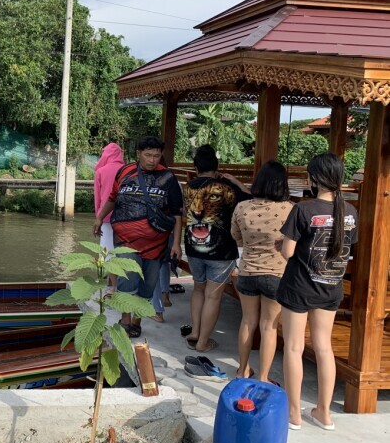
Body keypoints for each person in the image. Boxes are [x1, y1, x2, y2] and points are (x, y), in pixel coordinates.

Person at [278, 153, 358, 430]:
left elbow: (288, 251)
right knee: (324, 348)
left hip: (299, 287)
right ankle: (324, 413)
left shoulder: (304, 209)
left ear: (313, 179)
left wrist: (281, 244)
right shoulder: (350, 212)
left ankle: (293, 414)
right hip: (331, 287)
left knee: (294, 347)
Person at [93, 136, 183, 338]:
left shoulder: (168, 178)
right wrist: (99, 217)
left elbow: (177, 213)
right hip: (125, 242)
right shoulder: (124, 172)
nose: (152, 160)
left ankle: (137, 320)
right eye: (148, 155)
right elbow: (112, 199)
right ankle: (125, 320)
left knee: (148, 285)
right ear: (138, 154)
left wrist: (176, 242)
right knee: (127, 280)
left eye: (157, 156)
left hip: (155, 244)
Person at [184, 145, 250, 353]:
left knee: (198, 289)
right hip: (221, 251)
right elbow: (251, 200)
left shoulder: (188, 187)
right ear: (217, 167)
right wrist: (237, 182)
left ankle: (195, 332)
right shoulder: (227, 189)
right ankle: (203, 342)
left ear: (196, 168)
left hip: (193, 247)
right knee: (213, 296)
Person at [231, 161, 293, 381]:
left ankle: (242, 370)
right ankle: (264, 378)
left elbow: (236, 237)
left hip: (247, 270)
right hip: (276, 273)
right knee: (269, 327)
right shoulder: (289, 209)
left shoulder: (242, 207)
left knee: (247, 321)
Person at [94, 143, 126, 291]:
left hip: (106, 218)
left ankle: (115, 287)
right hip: (126, 218)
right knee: (122, 251)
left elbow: (98, 198)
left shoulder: (100, 171)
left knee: (107, 251)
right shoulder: (127, 171)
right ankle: (112, 281)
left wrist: (98, 218)